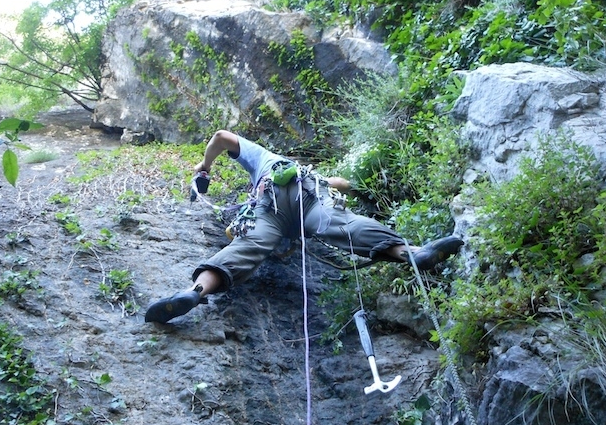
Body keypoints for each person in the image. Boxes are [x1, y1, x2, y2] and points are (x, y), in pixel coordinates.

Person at [145, 130, 463, 323]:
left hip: (269, 207)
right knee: (343, 224)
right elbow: (341, 183)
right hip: (309, 197)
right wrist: (361, 191)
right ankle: (412, 252)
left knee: (246, 248)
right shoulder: (307, 172)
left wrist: (205, 166)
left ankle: (194, 291)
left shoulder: (263, 159)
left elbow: (221, 138)